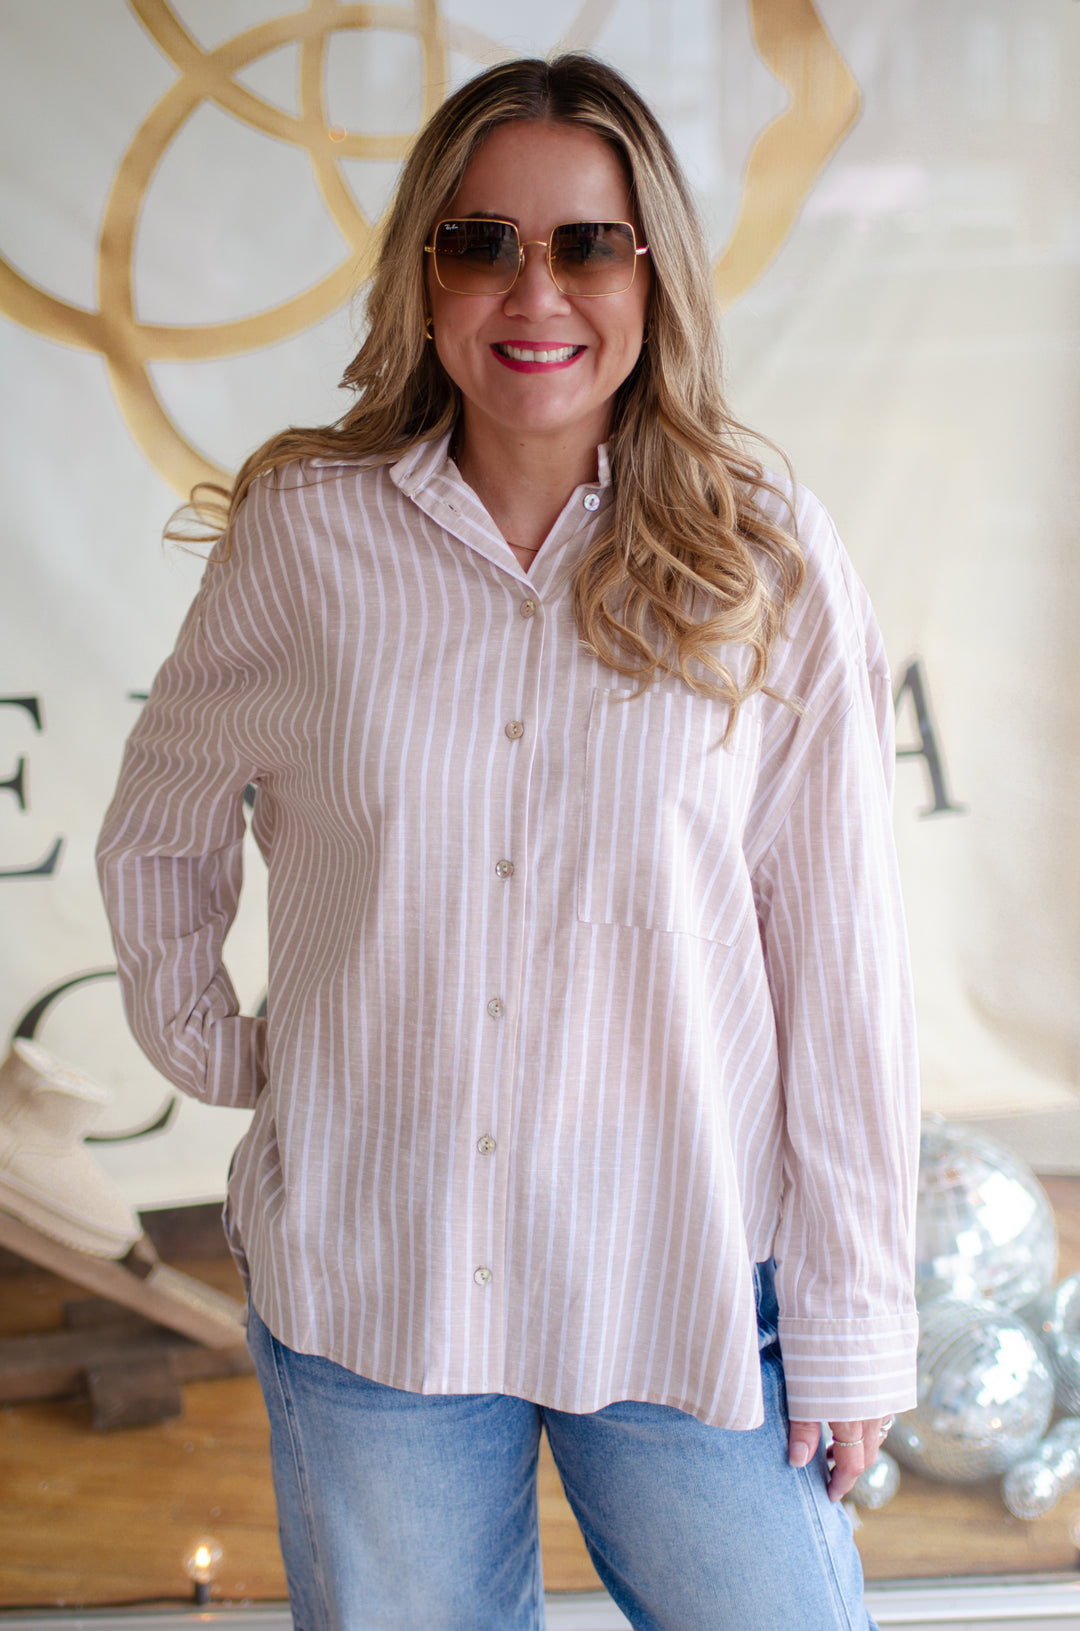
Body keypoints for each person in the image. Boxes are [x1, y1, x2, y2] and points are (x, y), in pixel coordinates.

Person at [97, 53, 918, 1631]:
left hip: (679, 1276)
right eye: (482, 242)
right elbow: (163, 813)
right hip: (376, 1278)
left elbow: (844, 958)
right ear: (425, 270)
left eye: (586, 242)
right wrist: (224, 1048)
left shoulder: (767, 552)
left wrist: (855, 1322)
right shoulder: (307, 538)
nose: (533, 290)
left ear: (652, 266)